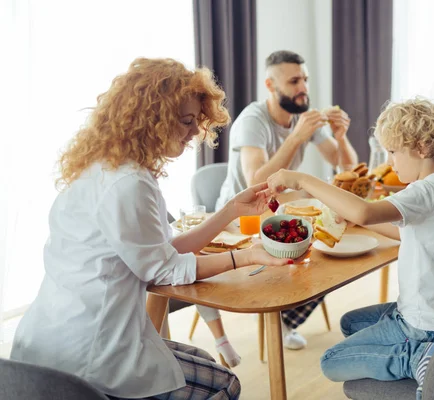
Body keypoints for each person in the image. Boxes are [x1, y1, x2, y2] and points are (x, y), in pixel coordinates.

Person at [9, 58, 294, 400]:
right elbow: (163, 270)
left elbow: (162, 250)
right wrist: (247, 256)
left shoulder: (106, 167)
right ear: (152, 121)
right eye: (186, 121)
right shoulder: (128, 183)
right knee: (226, 384)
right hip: (87, 352)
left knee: (203, 360)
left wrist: (231, 210)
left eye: (196, 121)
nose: (194, 132)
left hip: (46, 338)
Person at [267, 98, 434, 399]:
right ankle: (419, 347)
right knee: (350, 322)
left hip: (422, 326)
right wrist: (348, 217)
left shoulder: (426, 191)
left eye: (394, 151)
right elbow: (399, 230)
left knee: (330, 363)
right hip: (432, 316)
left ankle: (414, 358)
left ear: (421, 148)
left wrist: (302, 179)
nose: (390, 161)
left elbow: (365, 212)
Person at [212, 50, 358, 350]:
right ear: (270, 85)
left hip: (278, 211)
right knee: (312, 253)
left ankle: (285, 317)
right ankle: (276, 311)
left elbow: (345, 167)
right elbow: (257, 181)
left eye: (304, 79)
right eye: (294, 81)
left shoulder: (302, 115)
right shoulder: (253, 120)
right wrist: (296, 137)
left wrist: (341, 137)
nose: (303, 87)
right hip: (240, 219)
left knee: (328, 252)